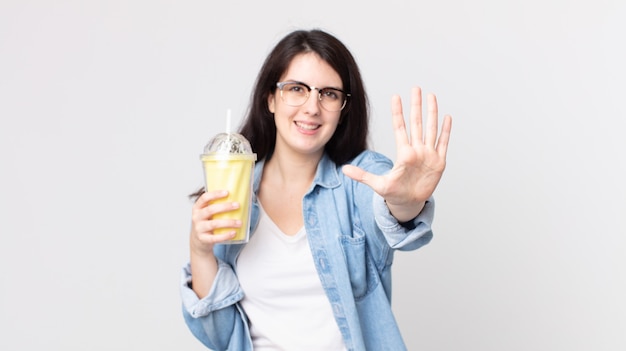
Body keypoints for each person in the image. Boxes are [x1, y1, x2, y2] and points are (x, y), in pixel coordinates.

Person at [180, 28, 452, 351]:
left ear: (342, 110)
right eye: (296, 89)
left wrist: (406, 203)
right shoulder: (235, 192)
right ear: (270, 98)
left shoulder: (358, 179)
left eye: (329, 94)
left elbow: (388, 205)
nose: (312, 107)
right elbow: (219, 334)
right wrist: (199, 250)